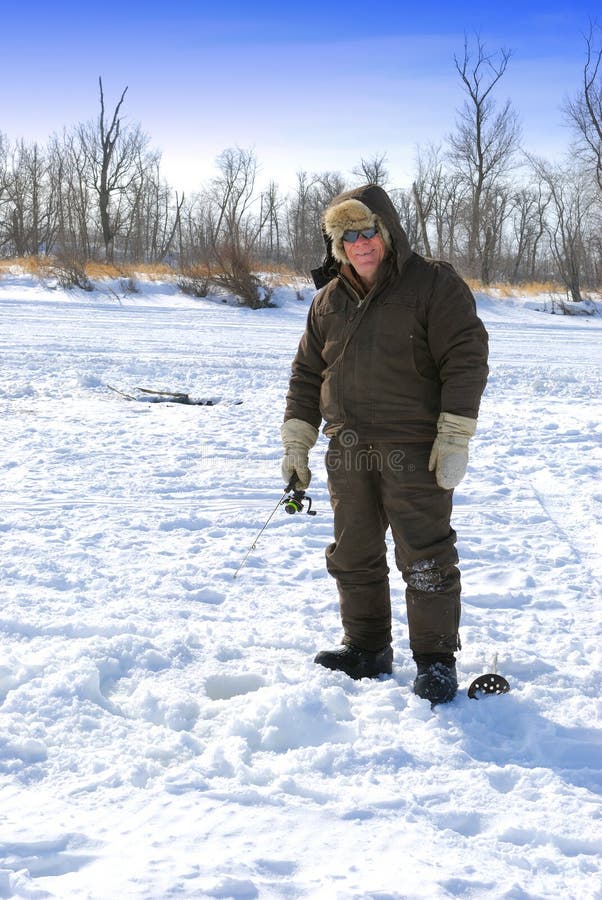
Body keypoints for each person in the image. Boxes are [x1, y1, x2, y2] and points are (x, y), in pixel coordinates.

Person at [280, 184, 489, 704]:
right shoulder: (328, 300)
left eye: (368, 230)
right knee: (353, 552)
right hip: (347, 447)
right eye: (347, 236)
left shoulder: (433, 284)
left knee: (425, 556)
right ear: (337, 245)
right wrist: (296, 444)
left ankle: (436, 660)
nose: (360, 243)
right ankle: (368, 646)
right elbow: (307, 375)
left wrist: (456, 433)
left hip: (415, 446)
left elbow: (465, 358)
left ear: (388, 230)